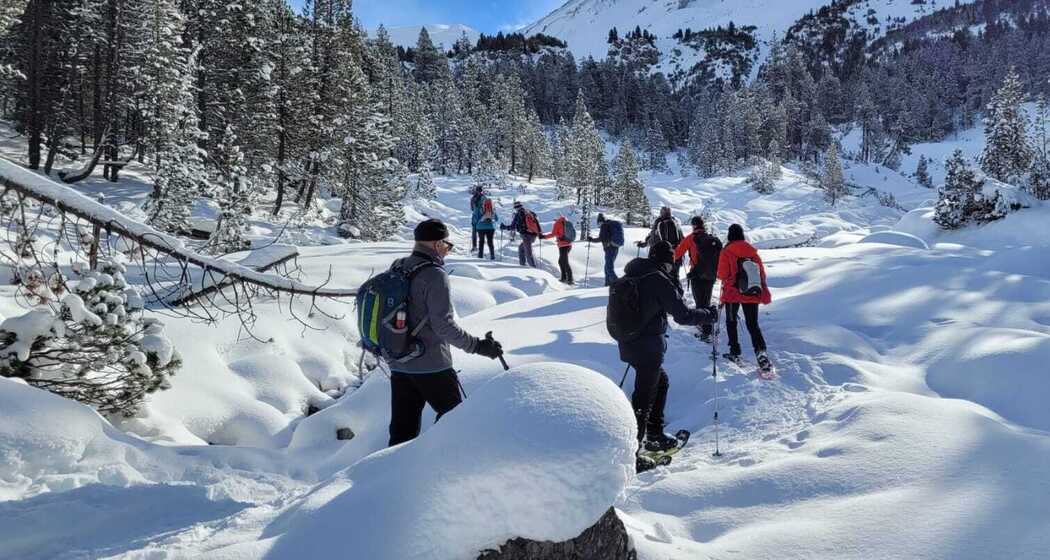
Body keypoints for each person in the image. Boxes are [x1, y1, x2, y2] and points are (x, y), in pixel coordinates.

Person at [387, 219, 505, 446]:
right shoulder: (434, 275)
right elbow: (443, 325)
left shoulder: (399, 265)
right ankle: (444, 472)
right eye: (446, 245)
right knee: (455, 423)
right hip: (431, 363)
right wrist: (478, 346)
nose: (448, 250)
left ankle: (392, 475)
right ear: (436, 244)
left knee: (402, 430)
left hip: (398, 360)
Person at [618, 241, 718, 453]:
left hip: (629, 342)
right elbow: (683, 315)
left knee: (659, 383)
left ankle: (653, 435)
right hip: (647, 346)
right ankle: (633, 451)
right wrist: (709, 315)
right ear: (667, 262)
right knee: (644, 397)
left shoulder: (632, 274)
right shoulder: (657, 279)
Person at [717, 224, 772, 371]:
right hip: (751, 292)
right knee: (753, 324)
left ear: (730, 235)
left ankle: (735, 351)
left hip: (732, 294)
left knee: (731, 321)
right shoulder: (753, 252)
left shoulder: (726, 251)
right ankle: (761, 353)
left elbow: (722, 275)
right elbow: (761, 274)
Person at [674, 216, 722, 342]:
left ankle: (706, 331)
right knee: (706, 299)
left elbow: (677, 253)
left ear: (694, 226)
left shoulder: (691, 238)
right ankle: (707, 325)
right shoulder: (711, 239)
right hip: (711, 275)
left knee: (700, 302)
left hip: (697, 274)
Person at [637, 206, 684, 284]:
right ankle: (677, 294)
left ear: (662, 213)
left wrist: (644, 244)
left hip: (661, 257)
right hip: (676, 256)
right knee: (675, 277)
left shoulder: (659, 223)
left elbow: (653, 239)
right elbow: (682, 238)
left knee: (661, 279)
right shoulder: (675, 223)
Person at [587, 213, 624, 286]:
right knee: (607, 266)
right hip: (615, 247)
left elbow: (601, 238)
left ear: (600, 221)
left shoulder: (604, 226)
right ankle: (608, 283)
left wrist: (591, 240)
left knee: (609, 267)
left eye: (598, 223)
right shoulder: (610, 225)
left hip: (609, 248)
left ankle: (618, 284)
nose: (599, 225)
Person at [501, 201, 538, 268]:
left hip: (526, 236)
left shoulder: (518, 214)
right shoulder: (528, 212)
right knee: (521, 248)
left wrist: (504, 227)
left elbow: (512, 227)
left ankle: (534, 269)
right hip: (534, 235)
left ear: (515, 207)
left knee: (528, 253)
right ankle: (522, 266)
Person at [542, 215, 574, 284]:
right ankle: (564, 278)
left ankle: (570, 279)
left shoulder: (557, 223)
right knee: (561, 261)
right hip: (569, 244)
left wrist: (544, 237)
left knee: (564, 262)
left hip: (563, 245)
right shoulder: (566, 221)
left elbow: (553, 234)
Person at [475, 195, 498, 260]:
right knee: (490, 241)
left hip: (480, 227)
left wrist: (481, 219)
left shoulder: (480, 209)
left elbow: (476, 219)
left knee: (481, 241)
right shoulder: (492, 209)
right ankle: (492, 255)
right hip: (490, 227)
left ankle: (480, 256)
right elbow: (496, 219)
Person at [469, 186, 484, 252]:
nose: (479, 192)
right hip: (480, 218)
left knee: (475, 233)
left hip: (476, 218)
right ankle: (477, 247)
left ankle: (475, 247)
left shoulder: (473, 198)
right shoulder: (484, 198)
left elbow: (472, 208)